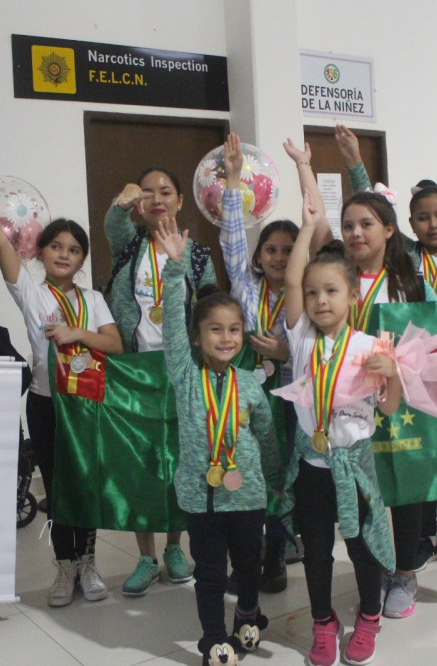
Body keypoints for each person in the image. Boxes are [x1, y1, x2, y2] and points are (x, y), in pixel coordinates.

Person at [0, 162, 122, 606]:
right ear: (41, 251)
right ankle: (64, 568)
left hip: (88, 405)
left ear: (82, 258)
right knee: (56, 484)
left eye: (73, 249)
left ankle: (89, 563)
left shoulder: (92, 299)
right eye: (55, 247)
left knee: (85, 485)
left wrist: (77, 334)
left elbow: (115, 345)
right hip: (47, 404)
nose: (64, 255)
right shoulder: (31, 292)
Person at [337, 125, 437, 572]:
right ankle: (410, 544)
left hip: (431, 372)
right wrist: (353, 162)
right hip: (366, 392)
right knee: (391, 472)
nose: (433, 224)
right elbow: (372, 216)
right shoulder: (408, 263)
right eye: (422, 218)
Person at [276, 186, 403, 666]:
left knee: (363, 546)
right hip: (313, 464)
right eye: (312, 293)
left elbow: (389, 411)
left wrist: (392, 378)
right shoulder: (303, 336)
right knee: (317, 553)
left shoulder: (372, 345)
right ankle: (323, 621)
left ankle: (369, 616)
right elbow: (290, 283)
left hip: (356, 464)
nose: (319, 300)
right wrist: (308, 227)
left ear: (353, 295)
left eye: (331, 291)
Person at [153, 216, 283, 666]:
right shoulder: (186, 375)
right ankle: (213, 638)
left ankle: (249, 612)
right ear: (196, 336)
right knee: (209, 574)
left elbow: (266, 434)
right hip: (200, 496)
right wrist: (175, 268)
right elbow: (171, 323)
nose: (226, 337)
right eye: (214, 329)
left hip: (247, 495)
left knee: (249, 567)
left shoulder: (249, 382)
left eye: (233, 329)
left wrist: (274, 479)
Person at [104, 166, 217, 594]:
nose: (156, 198)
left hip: (182, 369)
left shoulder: (198, 254)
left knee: (183, 457)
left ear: (180, 201)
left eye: (165, 191)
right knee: (143, 460)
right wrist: (123, 200)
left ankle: (174, 546)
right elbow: (113, 223)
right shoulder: (127, 245)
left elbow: (208, 308)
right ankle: (147, 556)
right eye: (148, 193)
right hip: (136, 368)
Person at [220, 133, 299, 594]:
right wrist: (233, 180)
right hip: (245, 395)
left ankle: (276, 557)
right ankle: (246, 557)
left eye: (289, 250)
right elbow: (232, 238)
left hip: (287, 395)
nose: (279, 257)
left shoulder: (304, 297)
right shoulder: (244, 287)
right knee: (244, 470)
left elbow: (310, 348)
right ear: (259, 255)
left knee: (280, 475)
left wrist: (286, 353)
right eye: (271, 249)